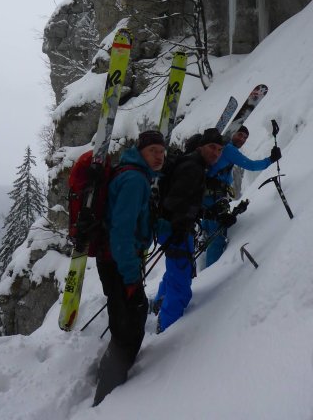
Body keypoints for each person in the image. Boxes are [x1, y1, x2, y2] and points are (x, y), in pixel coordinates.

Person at [93, 129, 165, 407]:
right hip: (119, 263)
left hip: (114, 260)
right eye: (153, 151)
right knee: (129, 327)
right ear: (140, 151)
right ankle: (107, 399)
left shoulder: (132, 173)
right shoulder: (135, 180)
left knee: (123, 320)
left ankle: (106, 374)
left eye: (161, 151)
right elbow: (122, 232)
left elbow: (135, 221)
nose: (159, 156)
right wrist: (132, 277)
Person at [153, 127, 224, 333]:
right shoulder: (193, 168)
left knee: (175, 271)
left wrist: (208, 213)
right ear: (201, 147)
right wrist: (179, 225)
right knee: (181, 282)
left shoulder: (193, 163)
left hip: (172, 228)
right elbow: (175, 201)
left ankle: (160, 302)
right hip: (176, 231)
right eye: (212, 147)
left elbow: (187, 200)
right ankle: (167, 327)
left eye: (219, 150)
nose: (216, 153)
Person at [201, 125, 281, 267]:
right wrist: (270, 160)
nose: (242, 139)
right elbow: (250, 165)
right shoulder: (229, 150)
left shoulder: (223, 148)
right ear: (232, 133)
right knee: (217, 238)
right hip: (214, 198)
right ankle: (211, 272)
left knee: (208, 233)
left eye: (245, 137)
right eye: (240, 134)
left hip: (205, 196)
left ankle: (201, 270)